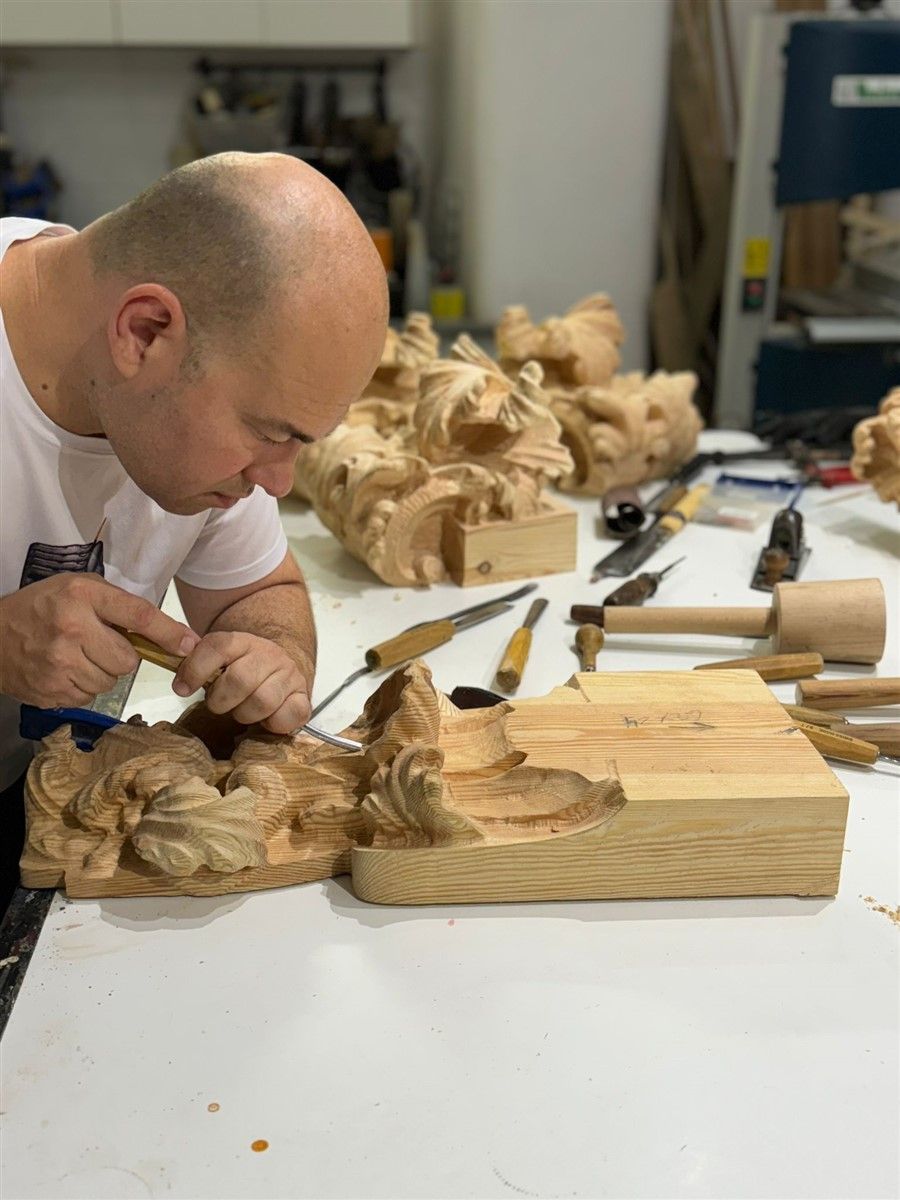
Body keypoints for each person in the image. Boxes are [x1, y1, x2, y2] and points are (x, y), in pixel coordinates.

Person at [0, 151, 389, 908]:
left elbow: (262, 588)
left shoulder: (188, 409)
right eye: (269, 432)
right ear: (143, 331)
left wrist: (270, 656)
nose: (277, 482)